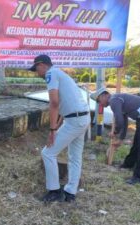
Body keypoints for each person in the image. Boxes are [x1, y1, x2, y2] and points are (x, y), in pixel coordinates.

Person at [29, 55, 90, 203]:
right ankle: (70, 192)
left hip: (74, 121)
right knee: (75, 157)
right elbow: (65, 103)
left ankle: (54, 190)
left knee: (48, 153)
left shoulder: (51, 73)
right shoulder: (61, 73)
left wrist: (52, 130)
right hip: (83, 117)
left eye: (36, 69)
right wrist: (57, 125)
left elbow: (54, 103)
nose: (37, 74)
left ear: (42, 65)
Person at [91, 88, 140, 184]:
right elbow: (124, 121)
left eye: (99, 101)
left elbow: (120, 121)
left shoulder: (114, 100)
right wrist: (121, 138)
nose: (100, 104)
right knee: (137, 143)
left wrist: (114, 132)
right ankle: (128, 164)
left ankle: (139, 177)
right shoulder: (116, 99)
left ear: (104, 95)